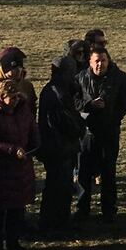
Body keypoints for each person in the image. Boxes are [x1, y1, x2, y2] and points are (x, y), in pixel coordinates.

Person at [0, 77, 37, 250]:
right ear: (1, 97)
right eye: (10, 98)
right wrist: (12, 150)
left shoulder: (23, 111)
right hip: (1, 169)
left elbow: (32, 129)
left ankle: (13, 242)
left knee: (17, 208)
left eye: (16, 97)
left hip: (21, 167)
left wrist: (36, 144)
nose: (14, 101)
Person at [76, 40, 126, 223]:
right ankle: (82, 208)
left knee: (108, 171)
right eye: (96, 61)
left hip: (109, 131)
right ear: (90, 63)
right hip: (87, 132)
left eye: (103, 61)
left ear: (108, 61)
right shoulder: (80, 78)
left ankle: (109, 208)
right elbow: (74, 102)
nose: (100, 64)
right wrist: (88, 105)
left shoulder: (119, 78)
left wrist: (113, 117)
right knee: (84, 172)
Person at [36, 57, 84, 238]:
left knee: (60, 186)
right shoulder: (57, 92)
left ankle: (57, 221)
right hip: (59, 147)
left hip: (59, 146)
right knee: (58, 187)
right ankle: (54, 223)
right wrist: (79, 128)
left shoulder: (56, 89)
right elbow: (66, 121)